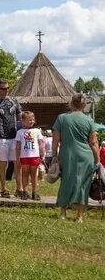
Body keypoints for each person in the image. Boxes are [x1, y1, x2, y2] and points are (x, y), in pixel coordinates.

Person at [52, 93, 98, 222]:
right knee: (84, 184)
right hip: (85, 155)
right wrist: (98, 160)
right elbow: (93, 142)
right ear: (84, 105)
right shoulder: (89, 120)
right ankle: (79, 215)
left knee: (66, 181)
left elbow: (55, 139)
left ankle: (62, 213)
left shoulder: (61, 118)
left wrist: (54, 156)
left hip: (67, 154)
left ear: (71, 103)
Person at [0, 79, 22, 198]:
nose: (6, 91)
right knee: (3, 163)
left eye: (8, 88)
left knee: (17, 163)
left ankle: (19, 188)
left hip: (14, 135)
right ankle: (3, 188)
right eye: (3, 88)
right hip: (0, 137)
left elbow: (20, 116)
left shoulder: (14, 101)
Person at [14, 111, 44, 200]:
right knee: (24, 174)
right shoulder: (20, 132)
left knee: (34, 174)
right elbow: (18, 145)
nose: (31, 121)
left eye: (33, 119)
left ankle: (34, 192)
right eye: (29, 120)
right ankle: (25, 191)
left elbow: (40, 143)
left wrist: (42, 153)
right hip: (24, 156)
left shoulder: (37, 131)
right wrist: (17, 157)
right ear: (23, 121)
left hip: (34, 156)